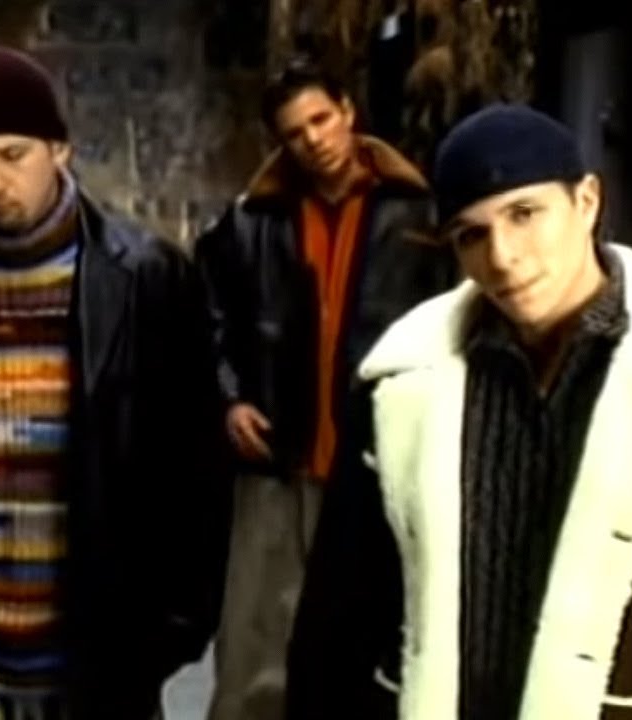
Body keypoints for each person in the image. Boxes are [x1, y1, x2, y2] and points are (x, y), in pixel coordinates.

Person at [287, 103, 632, 720]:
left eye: (524, 214)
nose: (503, 256)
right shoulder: (402, 384)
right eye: (472, 234)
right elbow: (336, 622)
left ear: (587, 202)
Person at [0, 46, 230, 720]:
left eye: (13, 156)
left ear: (59, 149)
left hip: (102, 660)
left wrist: (170, 634)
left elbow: (196, 471)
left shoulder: (145, 279)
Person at [193, 58, 454, 719]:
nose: (313, 140)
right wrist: (230, 398)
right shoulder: (252, 221)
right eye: (294, 132)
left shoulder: (418, 212)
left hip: (379, 459)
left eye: (320, 120)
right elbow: (207, 318)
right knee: (255, 651)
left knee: (365, 642)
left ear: (347, 111)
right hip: (280, 460)